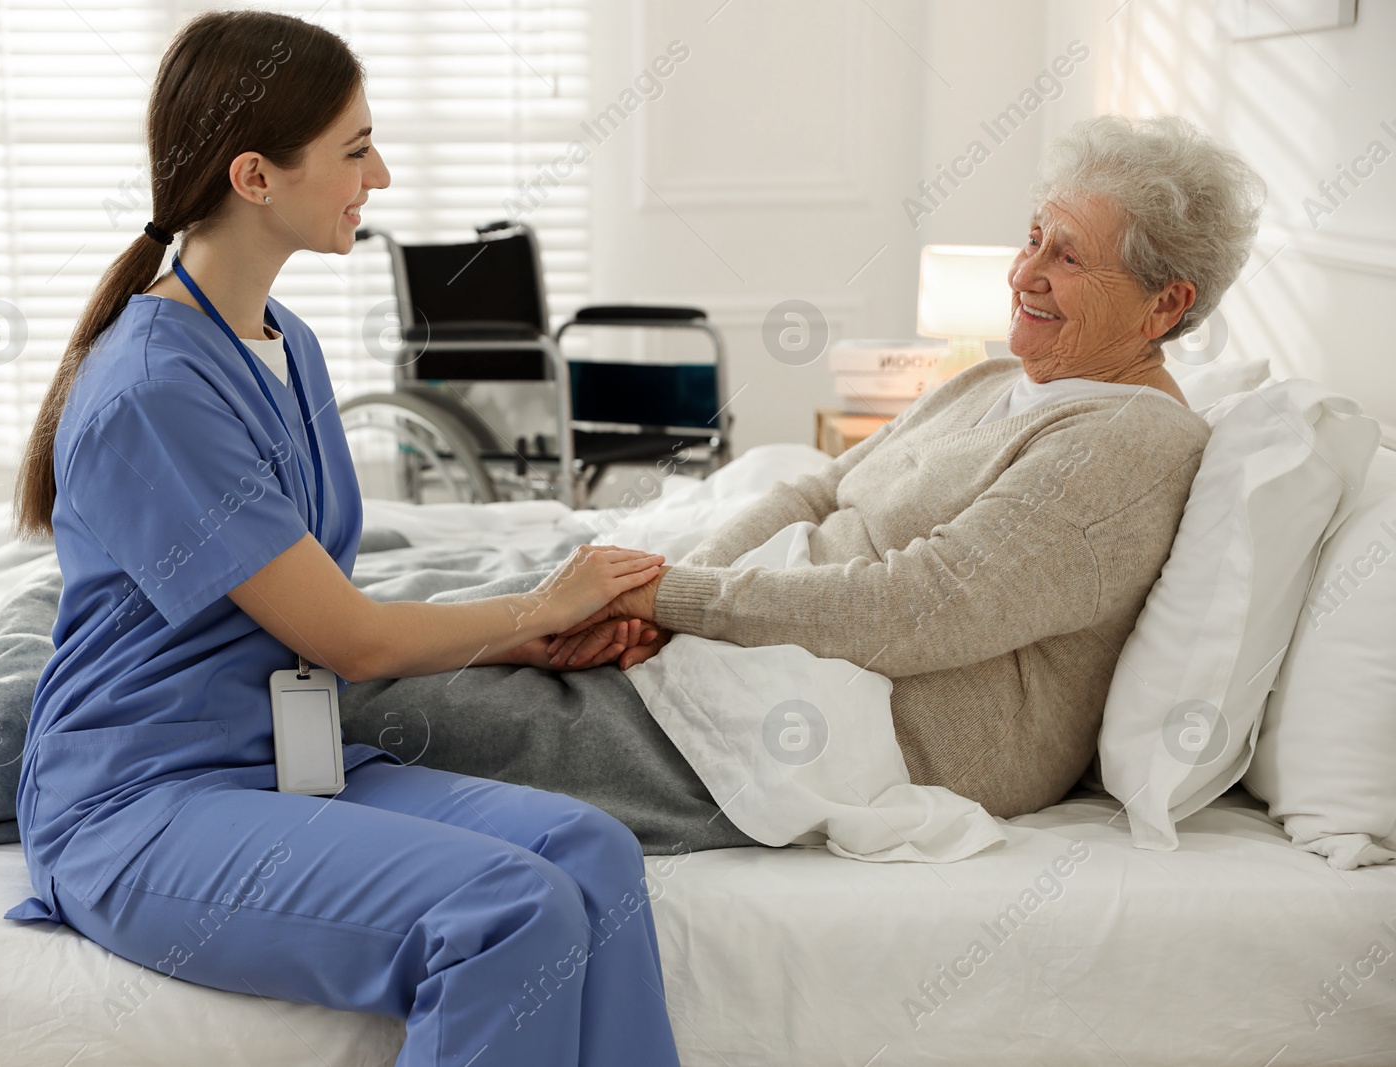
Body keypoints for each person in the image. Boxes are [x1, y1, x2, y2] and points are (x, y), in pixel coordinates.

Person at [3, 11, 682, 1067]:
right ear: (255, 176)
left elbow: (314, 606)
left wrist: (533, 639)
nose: (385, 174)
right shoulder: (152, 388)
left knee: (588, 850)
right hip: (139, 803)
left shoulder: (288, 344)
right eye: (357, 149)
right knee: (506, 905)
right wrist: (534, 608)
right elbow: (352, 637)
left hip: (277, 764)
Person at [342, 113, 1267, 838]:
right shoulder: (998, 380)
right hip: (760, 627)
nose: (1026, 269)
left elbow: (914, 609)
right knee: (402, 597)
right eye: (1032, 236)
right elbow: (815, 490)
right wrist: (656, 595)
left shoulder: (1131, 446)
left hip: (864, 722)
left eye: (1068, 254)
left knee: (391, 699)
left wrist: (668, 599)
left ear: (1167, 303)